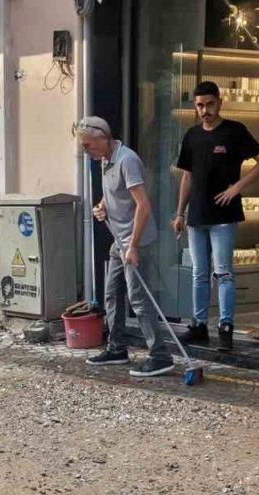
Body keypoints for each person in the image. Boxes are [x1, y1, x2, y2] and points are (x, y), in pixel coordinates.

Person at [173, 80, 259, 351]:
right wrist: (179, 212)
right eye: (199, 105)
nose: (204, 110)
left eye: (209, 104)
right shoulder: (192, 136)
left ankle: (226, 325)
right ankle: (199, 324)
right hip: (197, 216)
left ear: (220, 102)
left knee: (224, 273)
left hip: (224, 216)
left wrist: (237, 188)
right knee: (199, 273)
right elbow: (187, 176)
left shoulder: (234, 131)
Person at [78, 116, 174, 378]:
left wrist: (132, 246)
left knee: (139, 299)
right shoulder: (104, 161)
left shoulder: (127, 160)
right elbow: (115, 195)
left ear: (102, 138)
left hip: (135, 241)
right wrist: (102, 206)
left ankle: (160, 356)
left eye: (87, 145)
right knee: (111, 294)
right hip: (117, 240)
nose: (85, 151)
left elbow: (143, 205)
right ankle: (117, 347)